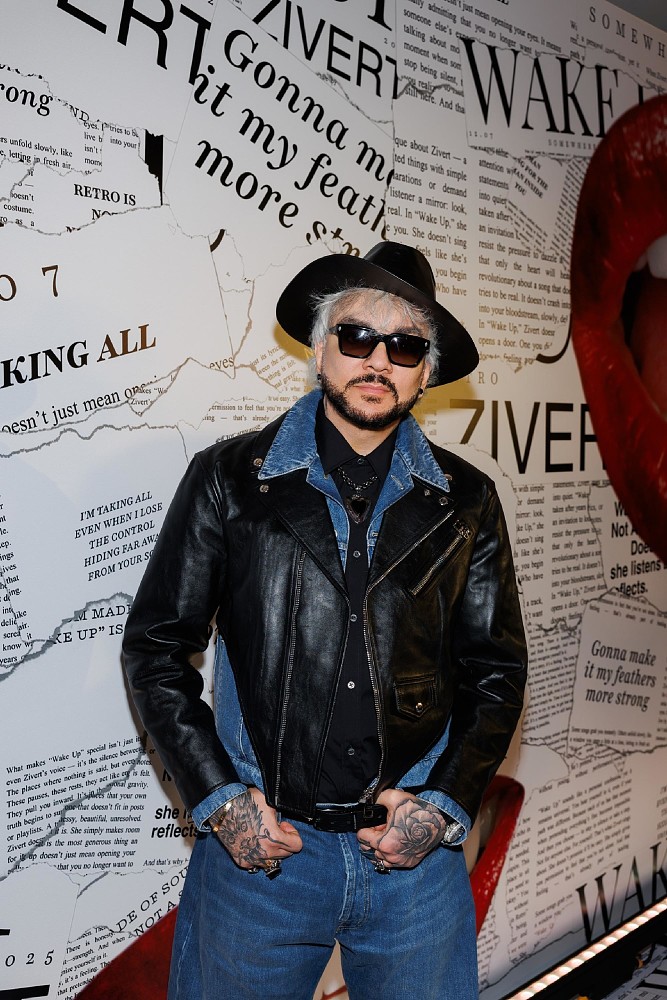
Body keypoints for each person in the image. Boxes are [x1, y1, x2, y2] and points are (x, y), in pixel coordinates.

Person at [122, 241, 527, 1000]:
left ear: (425, 373)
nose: (378, 360)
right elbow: (156, 649)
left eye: (405, 346)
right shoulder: (229, 480)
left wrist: (440, 807)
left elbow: (496, 673)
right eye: (357, 335)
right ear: (318, 349)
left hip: (412, 859)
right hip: (264, 857)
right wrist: (221, 801)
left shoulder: (467, 499)